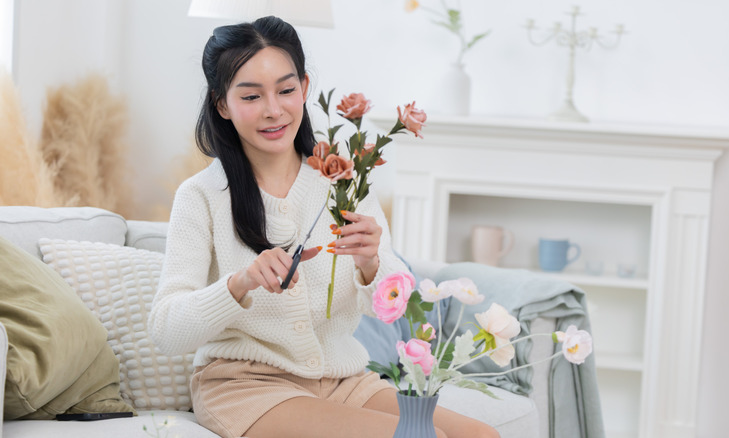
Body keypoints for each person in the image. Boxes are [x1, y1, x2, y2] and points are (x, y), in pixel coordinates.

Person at [148, 16, 499, 438]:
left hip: (344, 382)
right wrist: (238, 283)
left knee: (482, 436)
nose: (273, 109)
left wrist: (371, 262)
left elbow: (394, 305)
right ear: (222, 104)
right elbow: (167, 331)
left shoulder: (343, 180)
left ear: (305, 87)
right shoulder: (201, 195)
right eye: (251, 96)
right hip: (247, 387)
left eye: (286, 89)